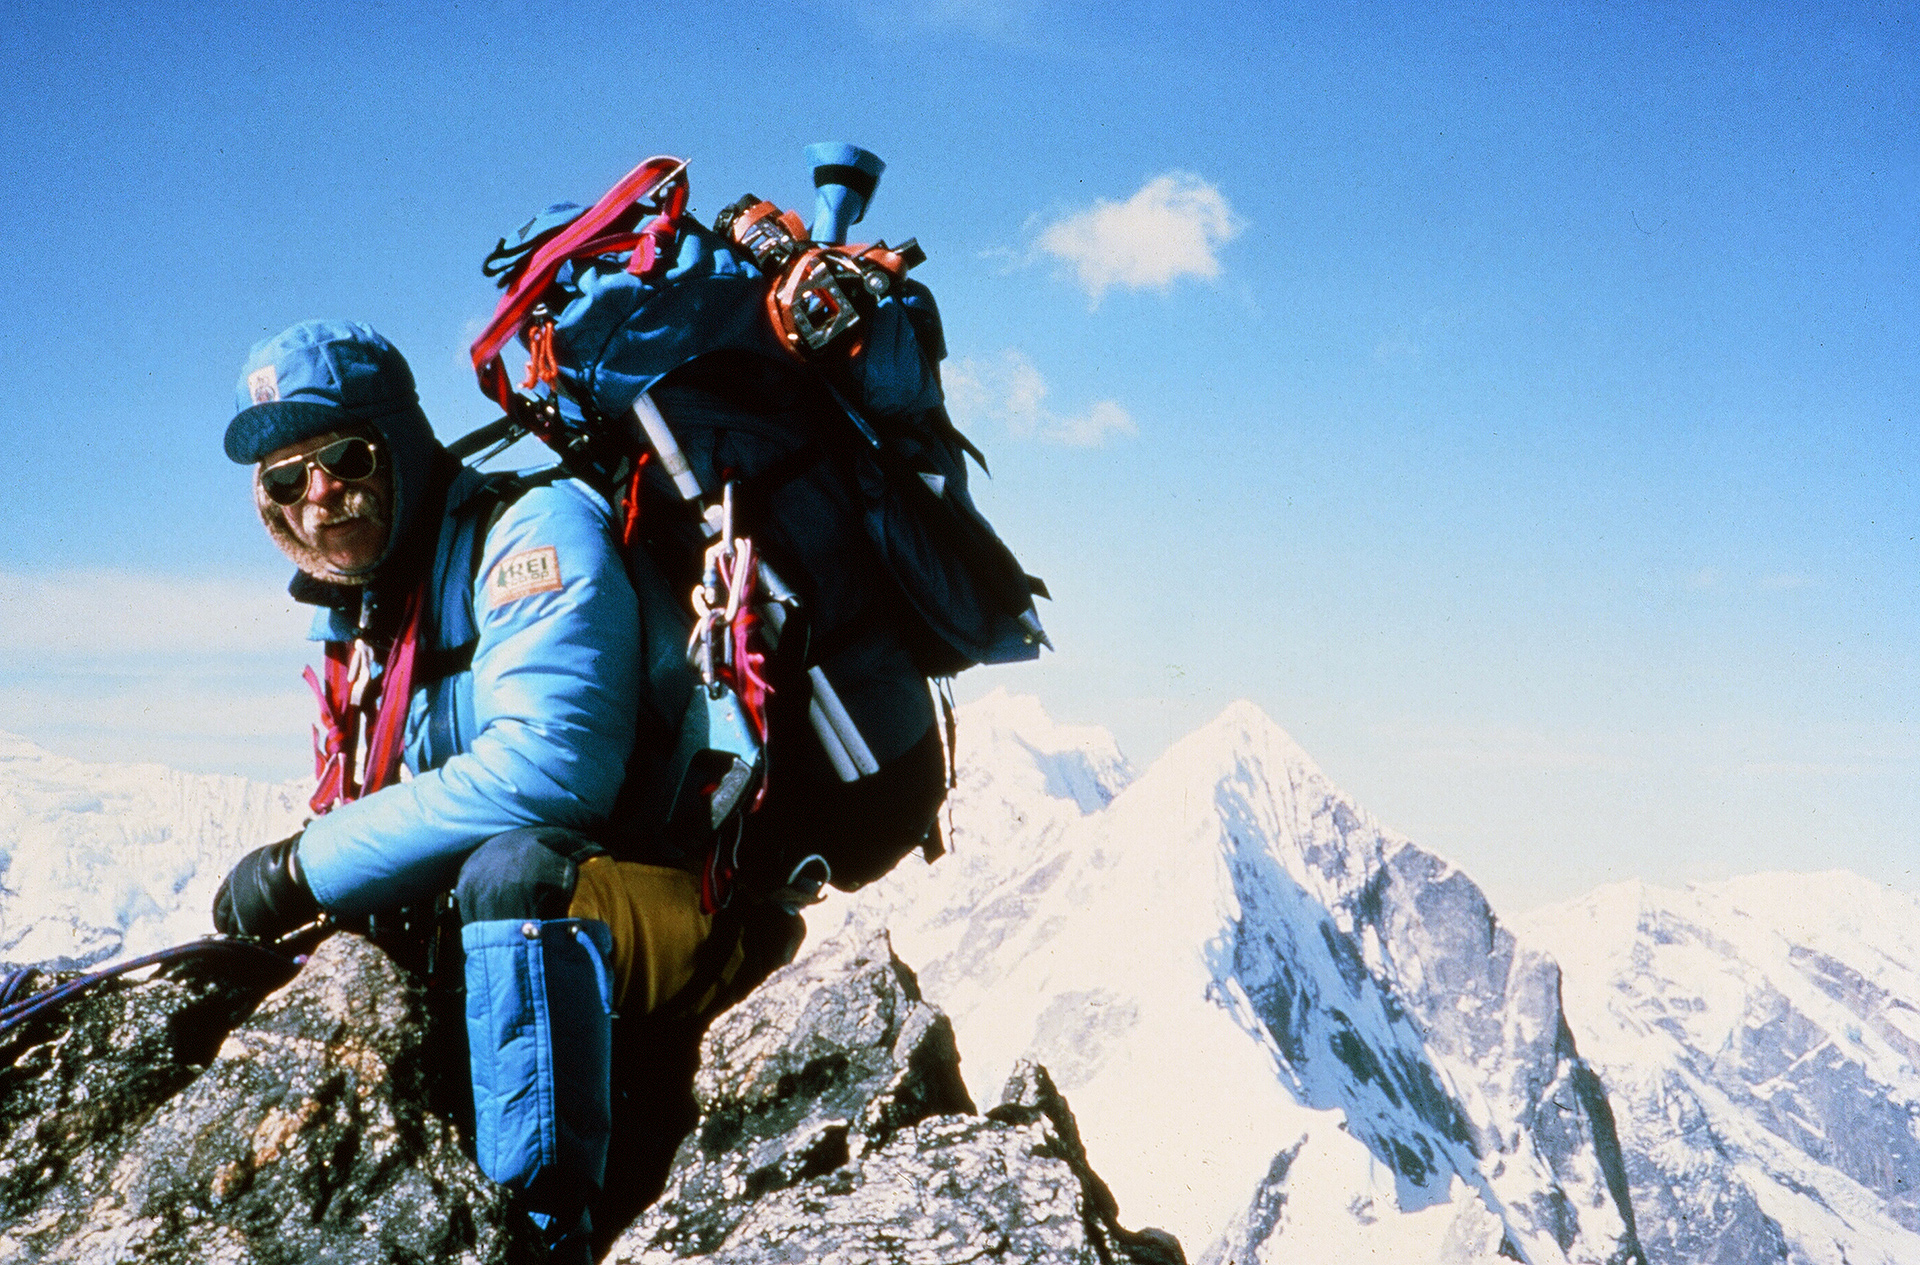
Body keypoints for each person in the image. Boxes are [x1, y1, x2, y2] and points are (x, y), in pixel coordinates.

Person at [211, 319, 732, 1263]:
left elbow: (550, 771)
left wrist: (300, 867)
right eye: (284, 480)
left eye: (346, 457)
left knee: (513, 875)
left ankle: (542, 1231)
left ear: (402, 444)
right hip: (555, 942)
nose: (318, 495)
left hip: (665, 902)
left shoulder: (531, 531)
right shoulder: (372, 609)